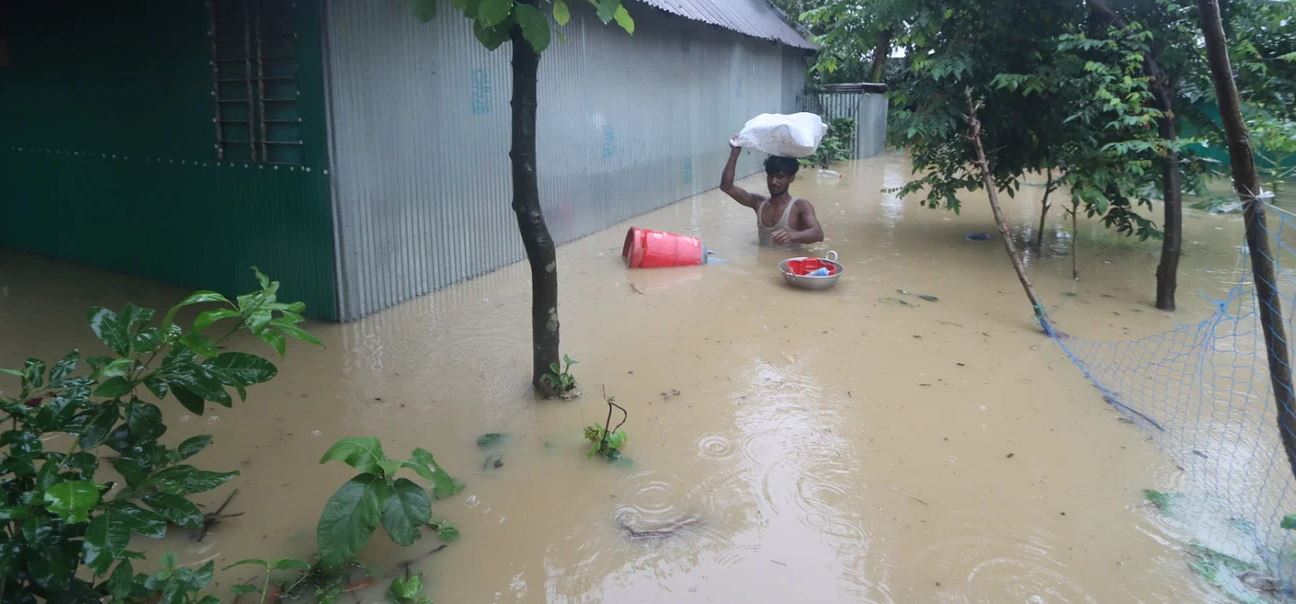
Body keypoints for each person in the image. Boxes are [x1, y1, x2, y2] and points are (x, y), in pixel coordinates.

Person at [720, 142, 824, 247]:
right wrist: (734, 152)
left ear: (791, 178)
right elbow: (726, 187)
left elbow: (818, 234)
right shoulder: (758, 203)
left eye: (780, 177)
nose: (774, 181)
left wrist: (793, 235)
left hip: (788, 262)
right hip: (762, 262)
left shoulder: (800, 206)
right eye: (770, 176)